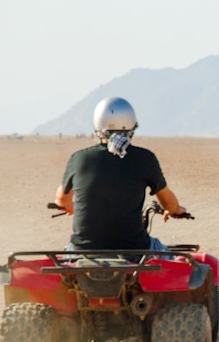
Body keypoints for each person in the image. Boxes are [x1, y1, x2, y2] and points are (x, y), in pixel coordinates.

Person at [54, 96, 187, 251]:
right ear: (131, 126)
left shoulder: (79, 159)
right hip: (135, 250)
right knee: (174, 260)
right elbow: (167, 202)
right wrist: (174, 210)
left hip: (83, 250)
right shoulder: (144, 158)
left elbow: (61, 199)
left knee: (65, 261)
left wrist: (69, 206)